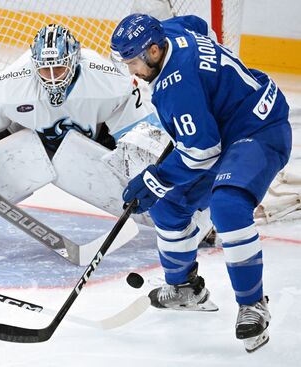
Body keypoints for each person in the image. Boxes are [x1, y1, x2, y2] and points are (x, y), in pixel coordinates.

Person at [0, 23, 176, 250]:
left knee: (141, 165)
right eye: (45, 69)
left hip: (91, 148)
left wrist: (144, 173)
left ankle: (183, 221)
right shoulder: (11, 84)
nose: (52, 77)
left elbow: (146, 132)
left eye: (60, 69)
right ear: (33, 64)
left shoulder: (108, 80)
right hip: (25, 148)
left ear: (75, 61)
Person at [110, 14, 291, 352]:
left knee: (227, 205)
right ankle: (184, 289)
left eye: (133, 61)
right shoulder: (171, 32)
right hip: (222, 129)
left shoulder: (176, 89)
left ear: (152, 51)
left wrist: (155, 179)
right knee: (167, 204)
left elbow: (202, 152)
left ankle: (252, 304)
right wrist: (216, 87)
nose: (131, 70)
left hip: (259, 129)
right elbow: (199, 24)